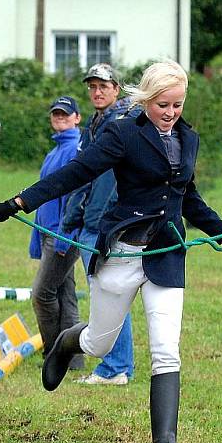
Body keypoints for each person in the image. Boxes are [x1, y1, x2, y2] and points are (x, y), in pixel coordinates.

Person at [0, 60, 222, 443]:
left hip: (165, 256)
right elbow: (76, 173)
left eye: (178, 105)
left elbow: (187, 196)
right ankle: (67, 343)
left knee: (166, 350)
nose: (171, 113)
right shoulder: (123, 133)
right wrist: (19, 203)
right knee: (100, 343)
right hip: (122, 253)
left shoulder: (187, 139)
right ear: (146, 99)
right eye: (163, 104)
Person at [62, 63, 139, 386]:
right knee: (108, 294)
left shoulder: (120, 125)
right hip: (90, 222)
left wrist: (99, 218)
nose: (96, 92)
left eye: (103, 86)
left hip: (106, 224)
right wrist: (73, 217)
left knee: (109, 296)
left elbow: (109, 182)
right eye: (92, 87)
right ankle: (117, 365)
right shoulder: (94, 126)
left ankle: (115, 368)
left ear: (116, 90)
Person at [29, 96, 84, 370]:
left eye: (66, 114)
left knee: (42, 294)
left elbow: (74, 196)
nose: (60, 118)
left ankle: (55, 354)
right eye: (56, 114)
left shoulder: (74, 149)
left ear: (77, 118)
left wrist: (65, 235)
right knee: (65, 295)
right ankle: (74, 359)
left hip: (63, 234)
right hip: (50, 232)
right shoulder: (56, 150)